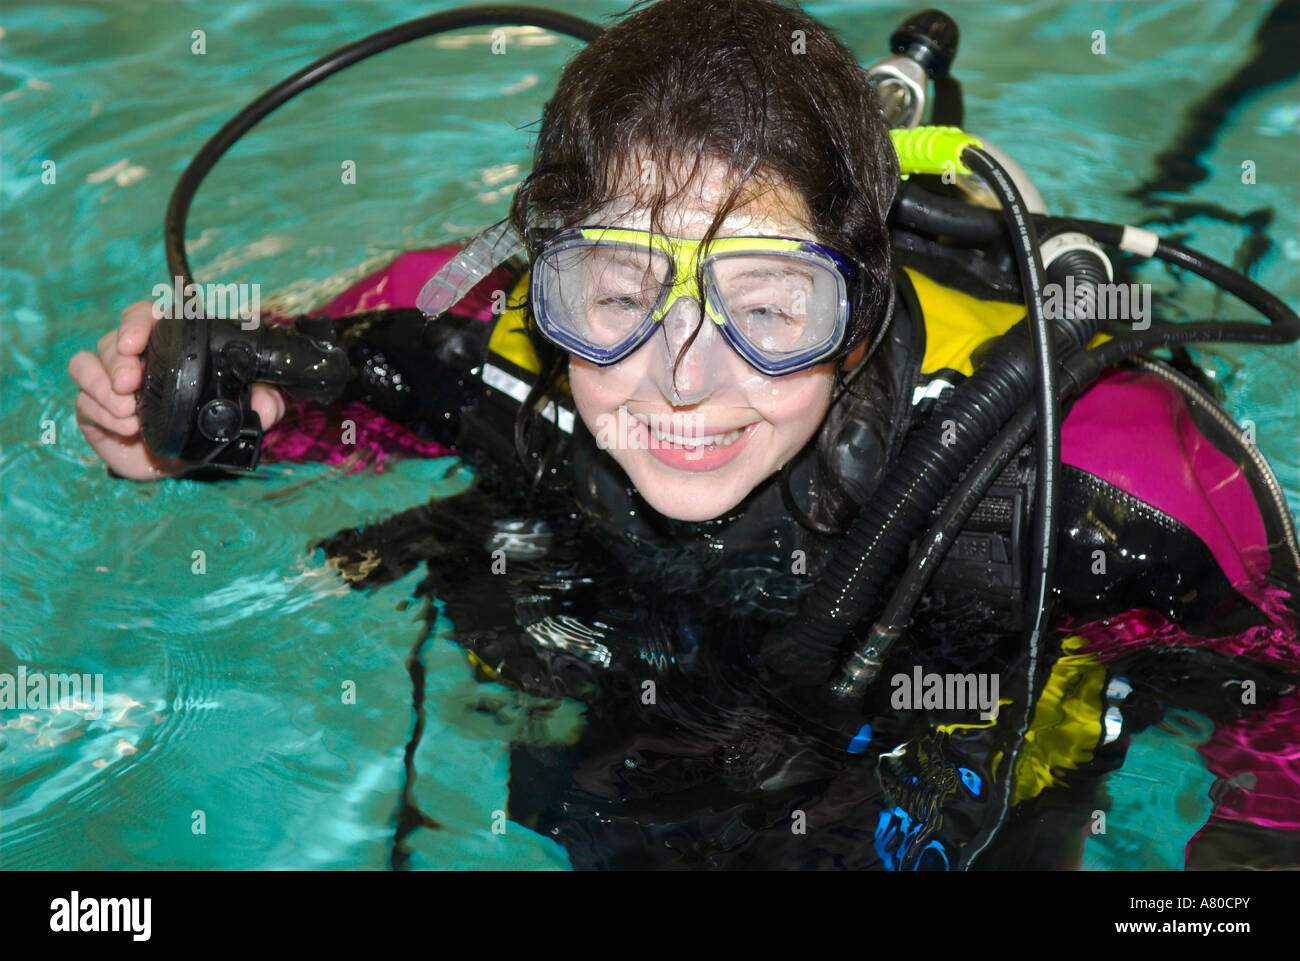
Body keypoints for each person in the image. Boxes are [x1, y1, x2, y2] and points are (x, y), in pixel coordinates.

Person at [68, 0, 1300, 870]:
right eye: (613, 296)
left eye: (769, 309)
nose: (682, 379)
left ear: (861, 307)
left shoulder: (1108, 478)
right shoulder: (486, 319)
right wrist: (194, 424)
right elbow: (320, 386)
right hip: (647, 643)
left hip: (962, 684)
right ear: (542, 276)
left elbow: (1279, 697)